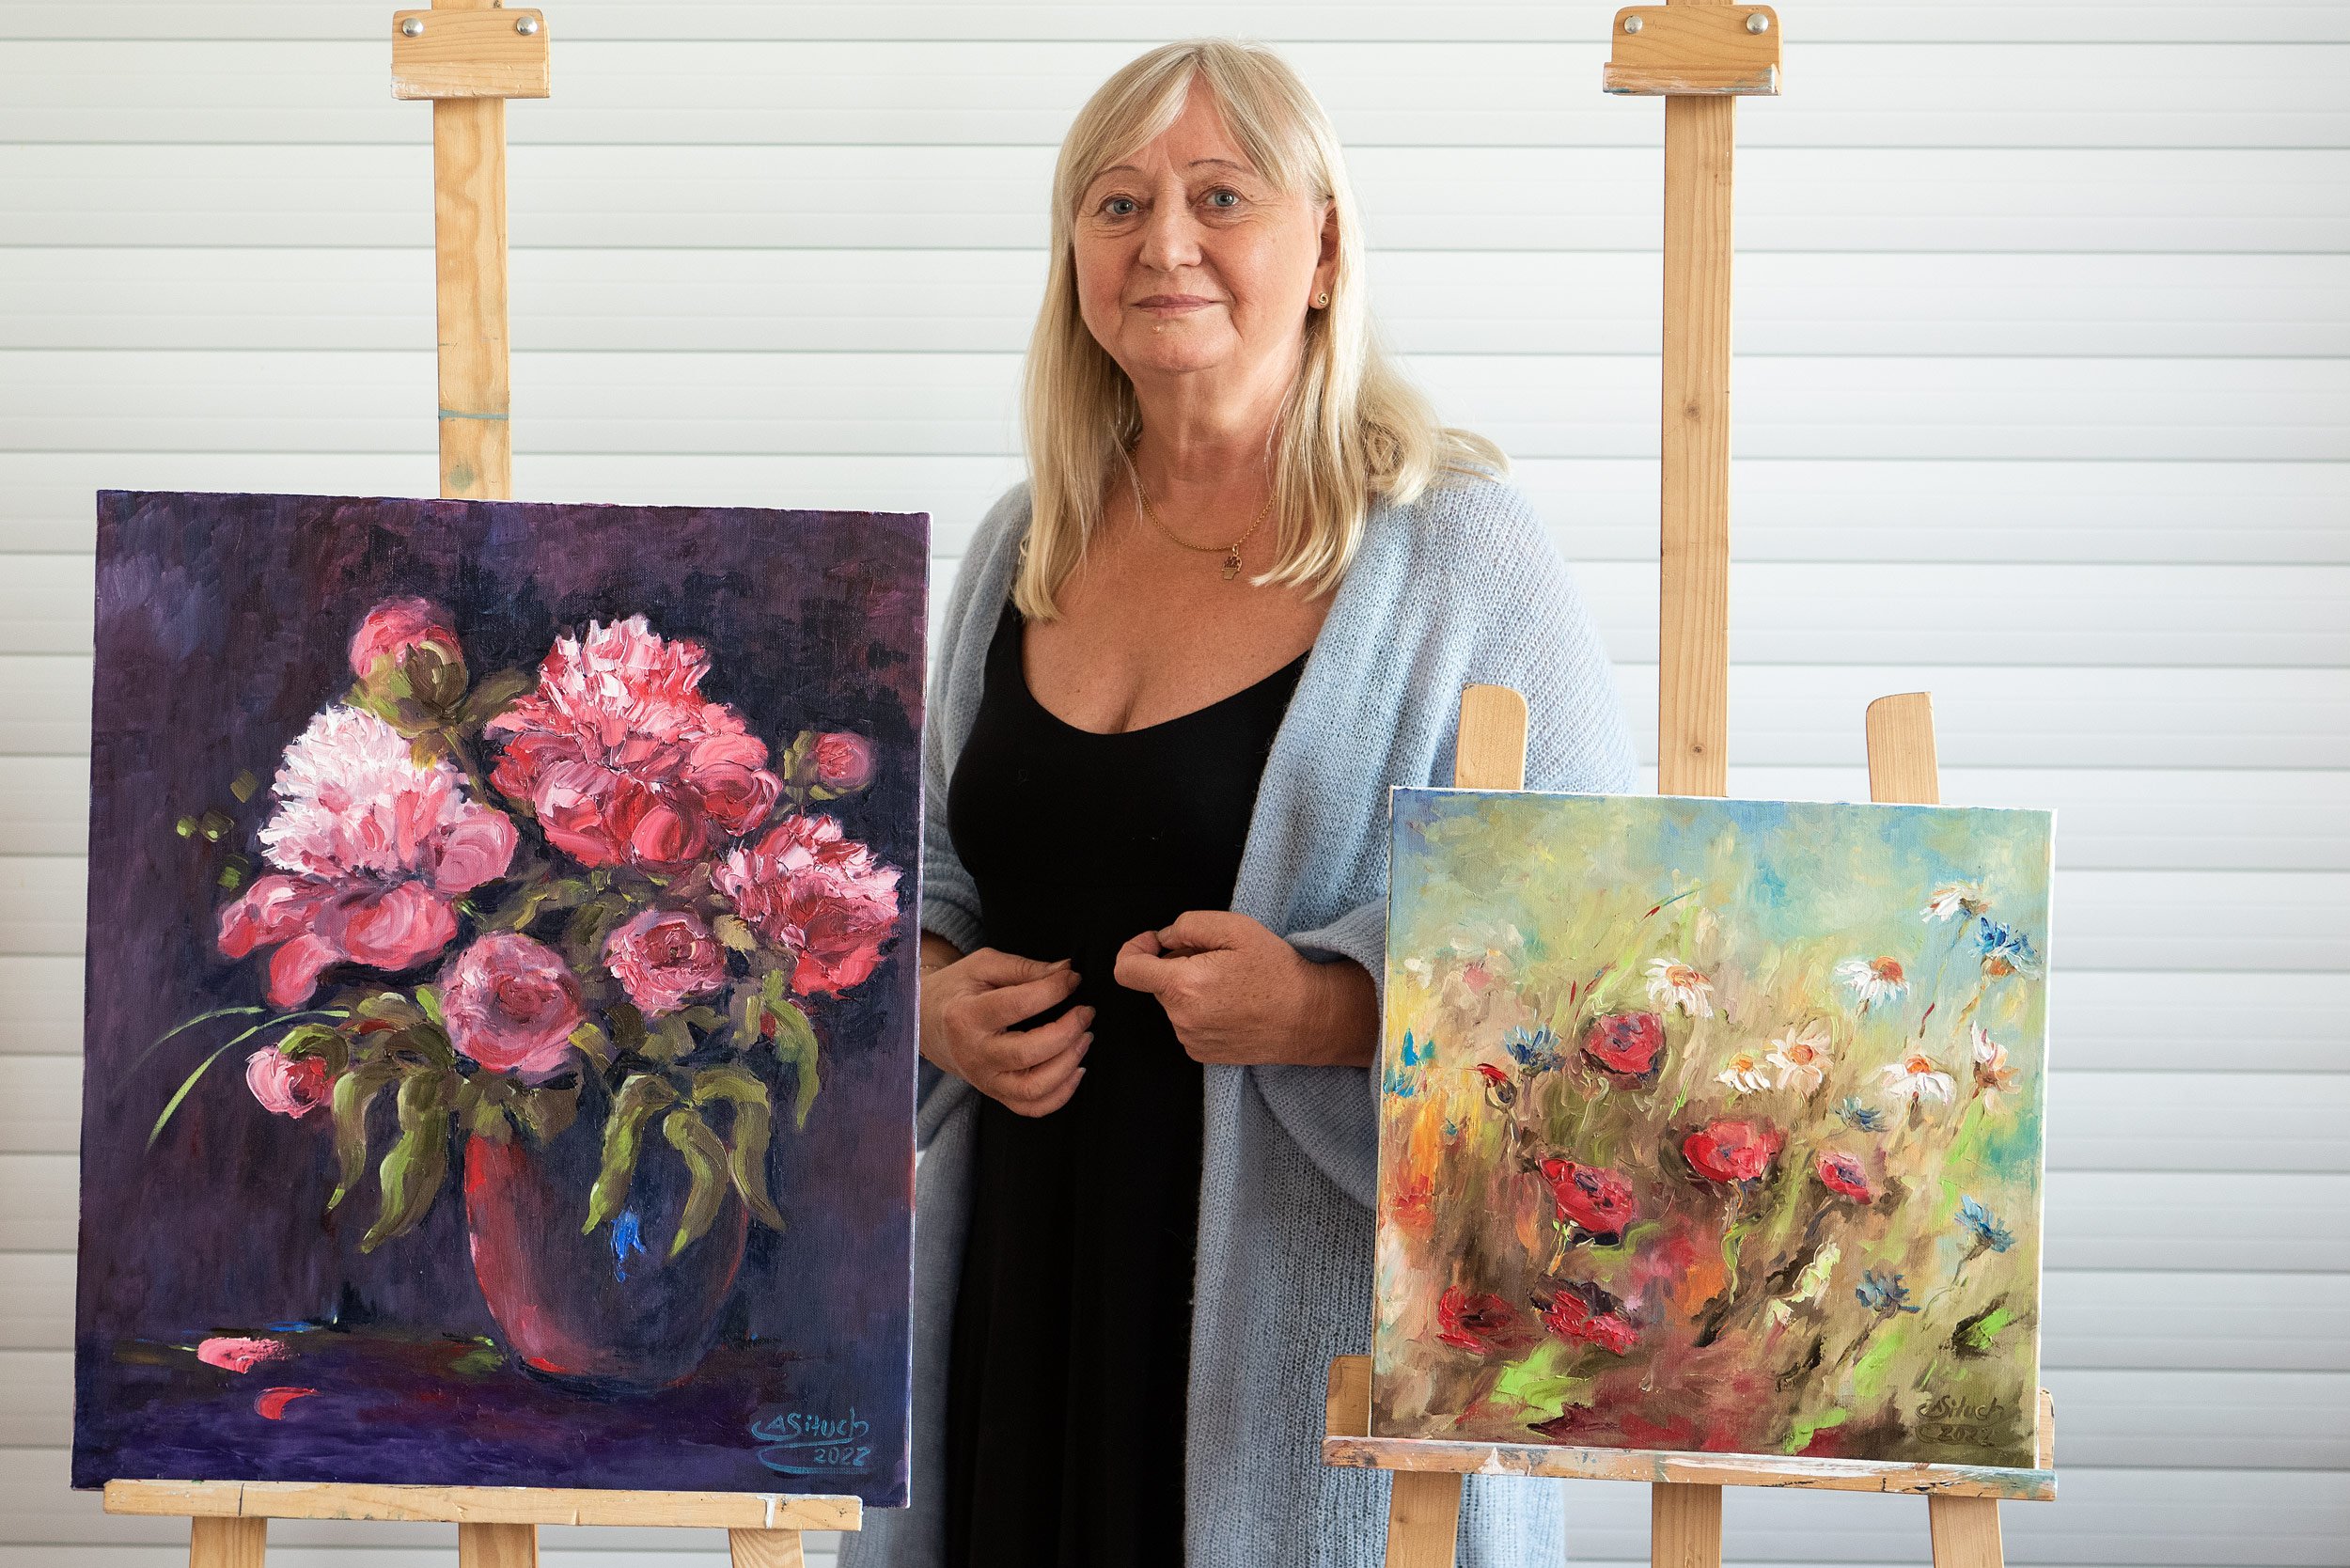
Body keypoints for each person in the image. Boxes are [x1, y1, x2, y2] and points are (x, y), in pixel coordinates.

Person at [840, 38, 1635, 1568]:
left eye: (1222, 196)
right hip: (1026, 1295)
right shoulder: (1025, 541)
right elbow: (924, 871)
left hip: (1308, 1335)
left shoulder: (1460, 550)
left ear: (1324, 250)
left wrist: (1331, 1006)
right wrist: (930, 1003)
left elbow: (1599, 944)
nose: (1166, 244)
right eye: (1118, 203)